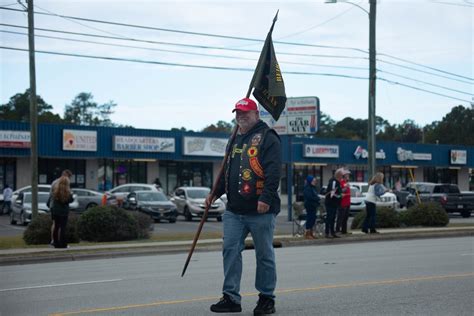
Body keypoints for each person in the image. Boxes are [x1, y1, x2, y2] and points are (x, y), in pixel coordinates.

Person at [206, 97, 281, 315]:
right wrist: (214, 193)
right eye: (238, 114)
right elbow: (227, 171)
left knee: (264, 254)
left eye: (245, 113)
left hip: (260, 210)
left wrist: (266, 198)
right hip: (234, 210)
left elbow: (274, 171)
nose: (241, 117)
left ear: (256, 114)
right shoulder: (235, 138)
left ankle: (267, 298)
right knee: (230, 250)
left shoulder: (268, 137)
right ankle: (231, 297)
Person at [49, 169, 73, 245]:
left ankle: (54, 241)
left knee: (55, 225)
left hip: (55, 208)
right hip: (63, 211)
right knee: (63, 227)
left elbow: (51, 195)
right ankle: (62, 242)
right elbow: (69, 200)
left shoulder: (55, 187)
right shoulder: (67, 189)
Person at [324, 168, 344, 238]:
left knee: (333, 218)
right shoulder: (334, 182)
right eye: (342, 175)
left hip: (335, 203)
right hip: (330, 203)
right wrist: (340, 196)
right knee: (329, 218)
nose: (342, 177)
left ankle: (332, 232)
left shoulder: (337, 182)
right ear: (339, 175)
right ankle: (327, 232)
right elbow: (332, 193)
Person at [303, 175, 320, 239]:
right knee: (310, 219)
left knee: (313, 219)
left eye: (315, 181)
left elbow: (314, 195)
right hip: (309, 205)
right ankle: (307, 233)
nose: (314, 182)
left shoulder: (313, 188)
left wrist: (317, 198)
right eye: (313, 181)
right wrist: (317, 198)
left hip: (314, 206)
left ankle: (311, 232)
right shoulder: (307, 188)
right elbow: (310, 197)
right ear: (310, 181)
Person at [336, 169, 351, 235]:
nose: (348, 176)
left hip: (348, 202)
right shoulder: (341, 182)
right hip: (342, 203)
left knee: (346, 217)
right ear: (344, 176)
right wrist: (345, 188)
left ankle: (344, 230)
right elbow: (340, 191)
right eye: (347, 175)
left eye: (348, 175)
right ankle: (337, 230)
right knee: (340, 217)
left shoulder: (346, 183)